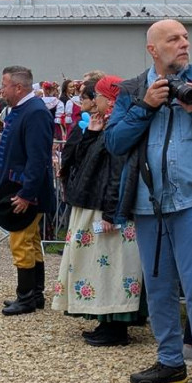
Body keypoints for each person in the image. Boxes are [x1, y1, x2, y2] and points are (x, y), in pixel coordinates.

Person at [105, 19, 192, 383]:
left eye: (186, 37)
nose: (184, 43)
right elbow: (114, 142)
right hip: (147, 205)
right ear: (153, 49)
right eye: (173, 39)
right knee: (158, 289)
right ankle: (170, 361)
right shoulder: (133, 89)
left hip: (190, 202)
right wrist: (145, 106)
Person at [52, 76, 145, 346]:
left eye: (100, 97)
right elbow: (82, 162)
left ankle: (115, 326)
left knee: (113, 266)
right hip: (95, 202)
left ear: (110, 99)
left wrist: (110, 212)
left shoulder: (122, 127)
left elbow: (119, 172)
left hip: (106, 207)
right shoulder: (107, 125)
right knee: (98, 266)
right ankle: (104, 321)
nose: (95, 103)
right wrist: (91, 134)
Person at [0, 66, 55, 316]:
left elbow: (38, 157)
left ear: (18, 87)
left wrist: (26, 194)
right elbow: (13, 140)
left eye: (4, 85)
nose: (0, 89)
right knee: (31, 240)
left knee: (21, 240)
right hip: (20, 186)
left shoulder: (35, 112)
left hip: (26, 190)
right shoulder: (21, 110)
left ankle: (25, 297)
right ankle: (35, 295)